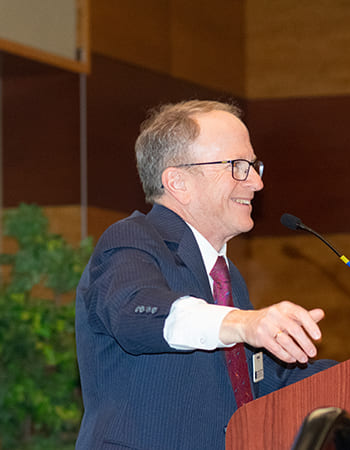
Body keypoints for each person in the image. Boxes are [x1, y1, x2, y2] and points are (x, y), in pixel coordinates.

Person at [74, 100, 336, 449]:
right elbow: (135, 313)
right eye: (238, 166)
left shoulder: (227, 280)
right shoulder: (133, 240)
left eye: (254, 166)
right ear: (178, 181)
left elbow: (263, 381)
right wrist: (244, 323)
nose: (256, 183)